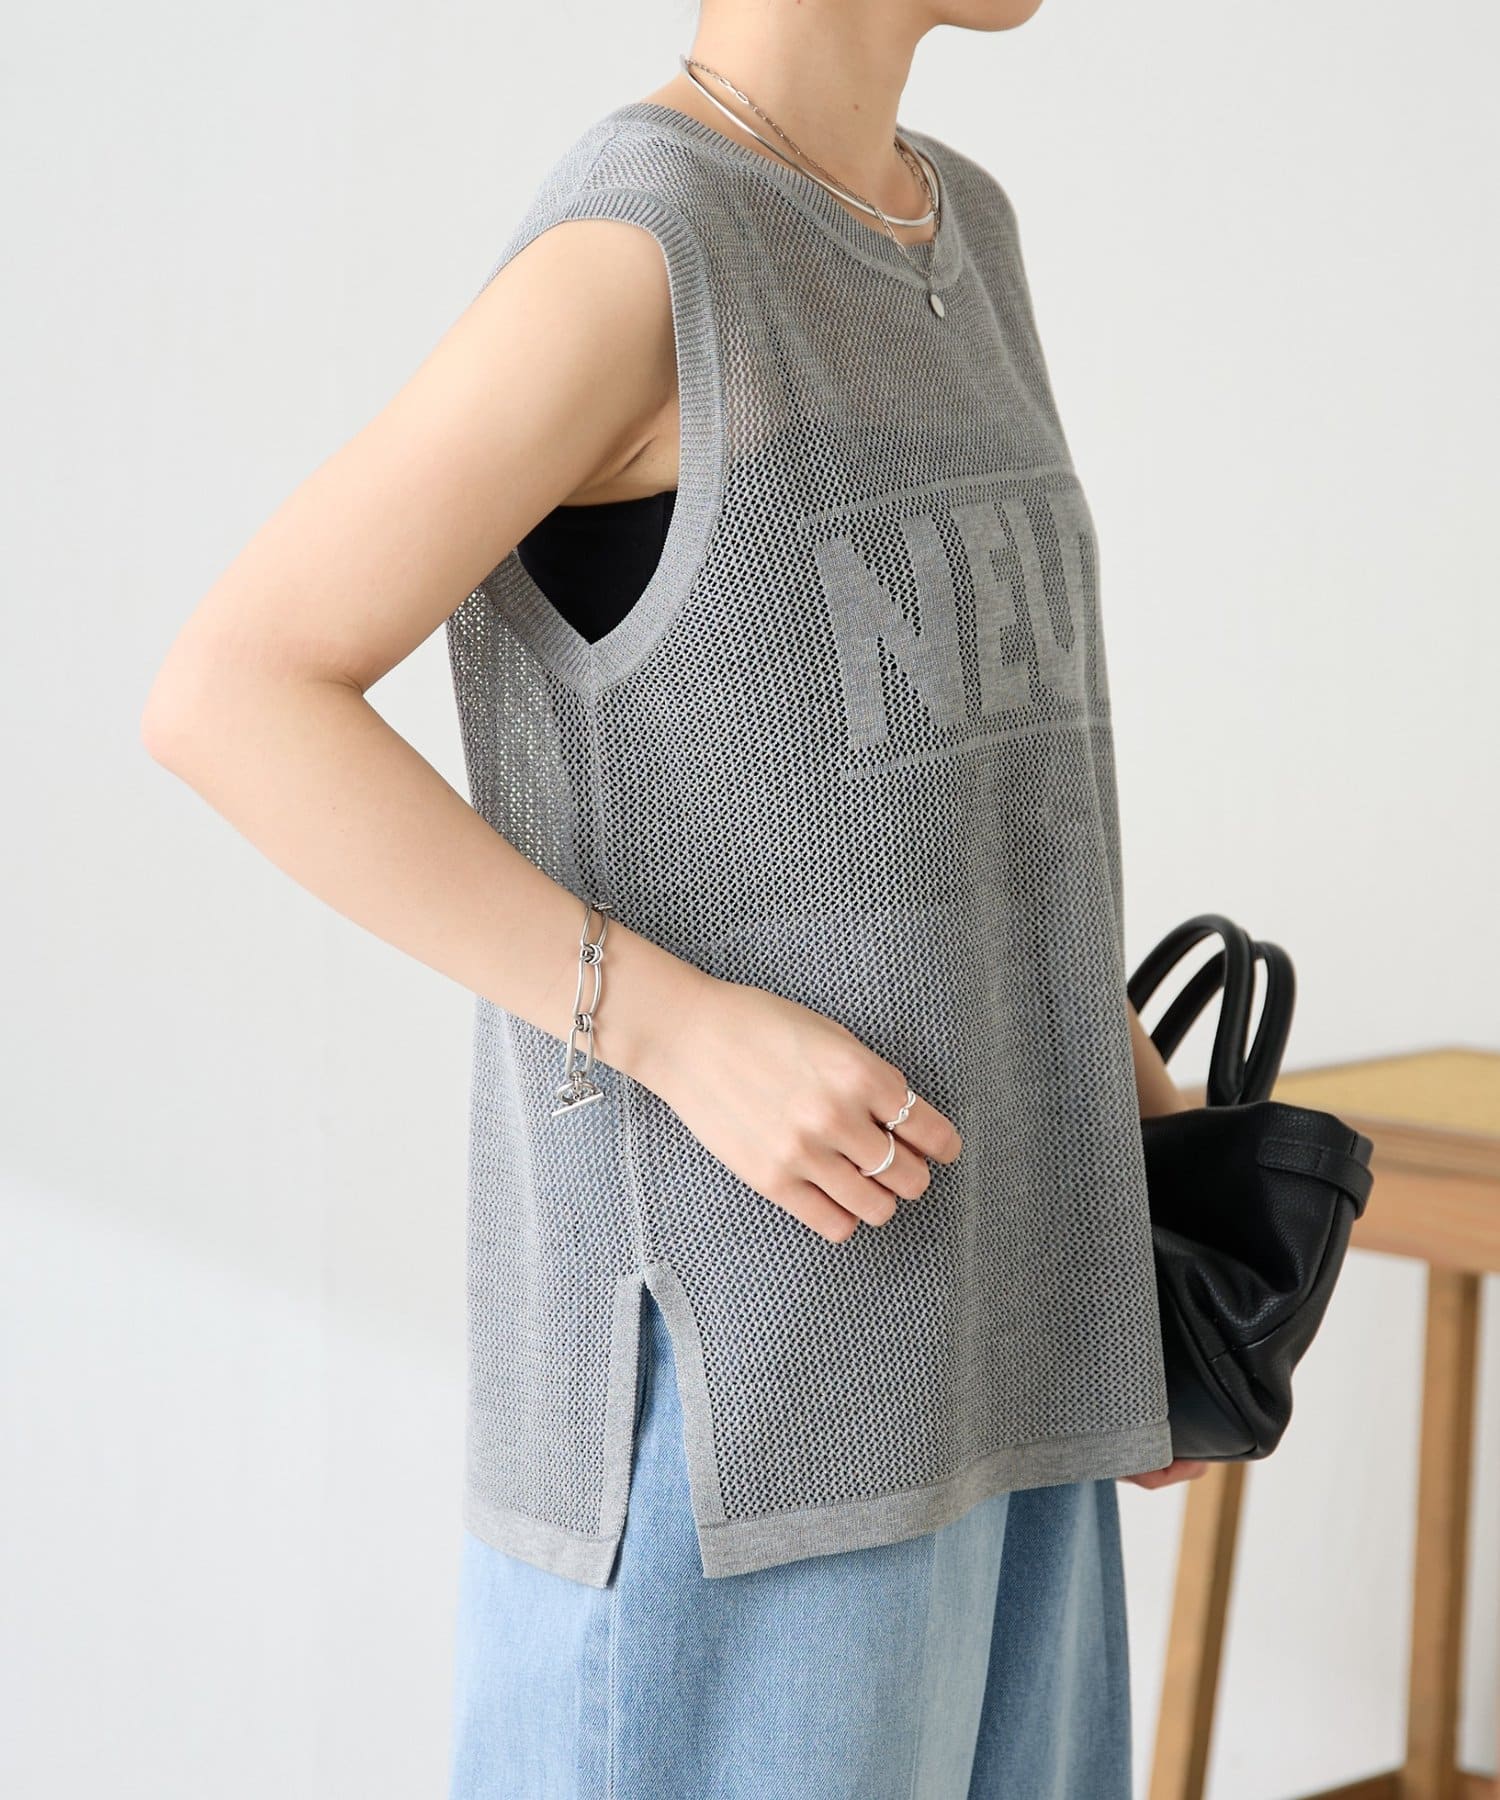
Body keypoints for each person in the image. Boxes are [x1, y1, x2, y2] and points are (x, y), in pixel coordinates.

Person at [142, 1, 1210, 1793]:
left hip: (1010, 1380)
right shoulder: (640, 254)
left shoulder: (963, 230)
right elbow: (233, 693)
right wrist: (671, 1026)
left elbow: (968, 798)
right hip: (747, 1422)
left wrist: (1146, 1179)